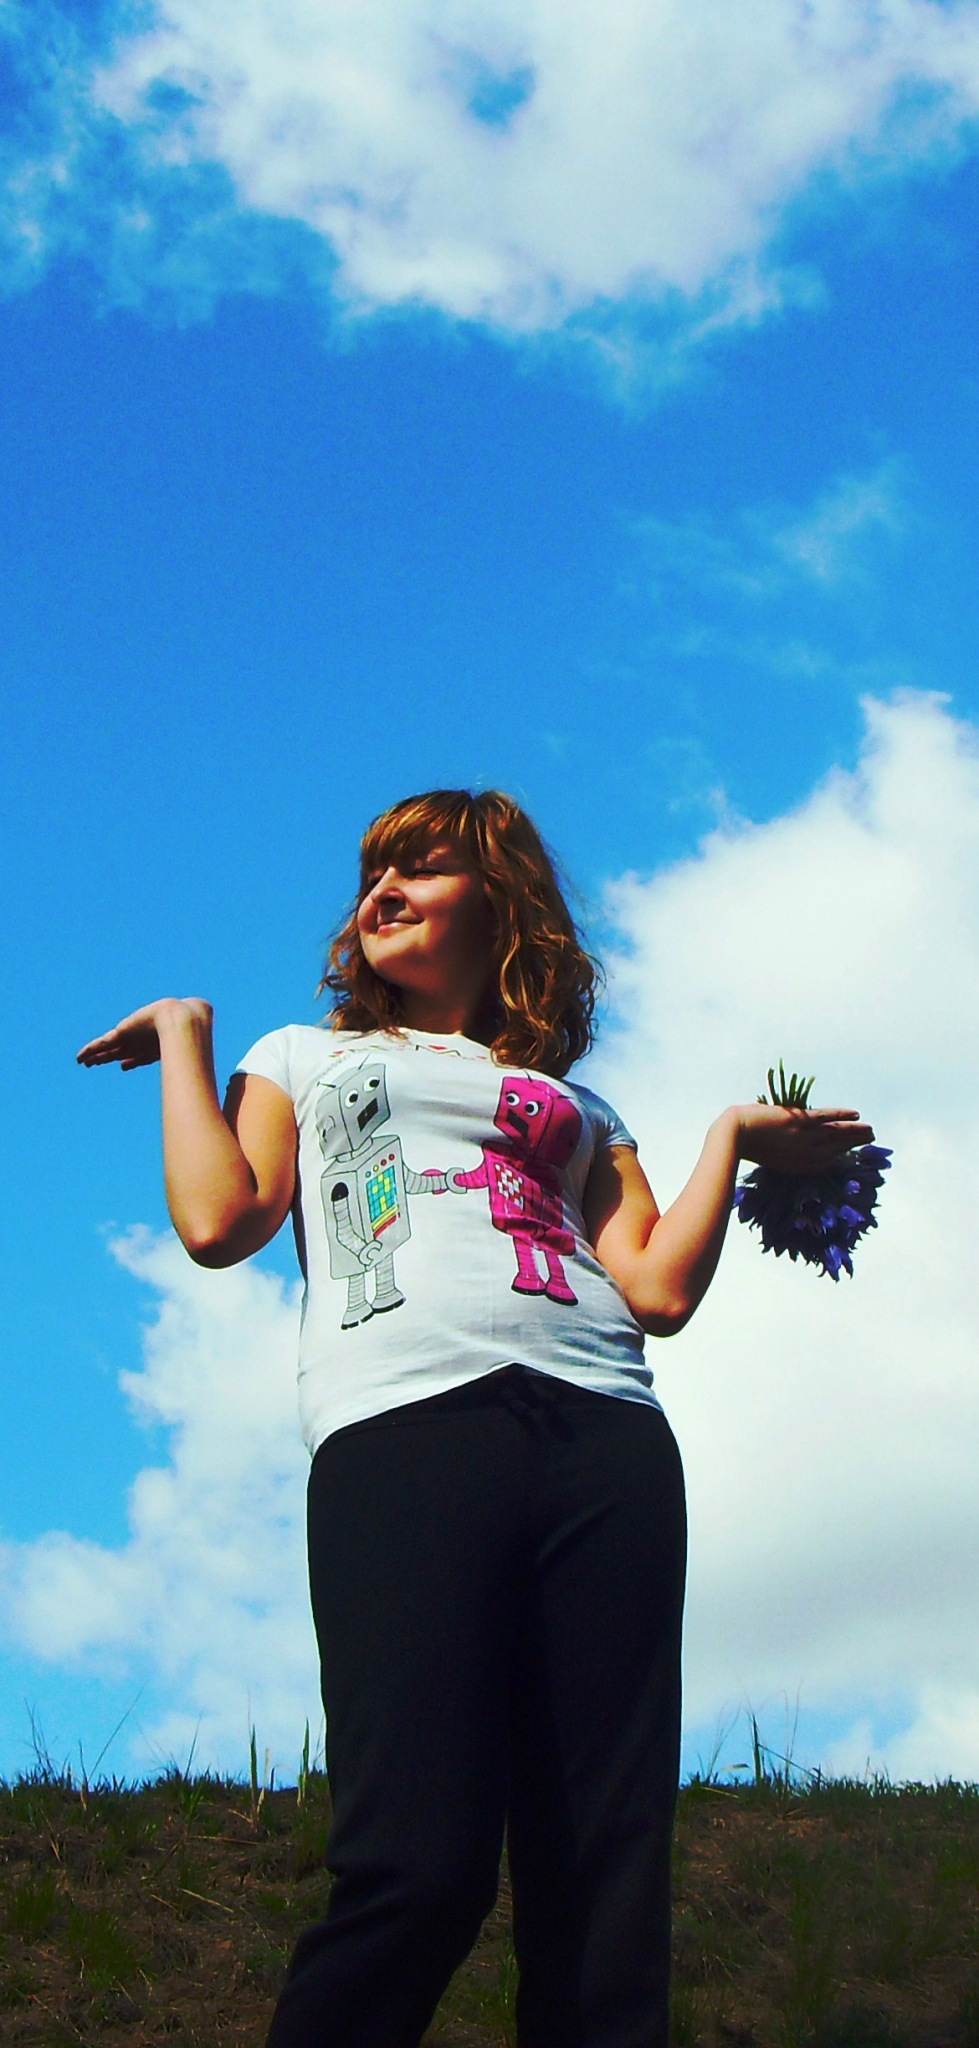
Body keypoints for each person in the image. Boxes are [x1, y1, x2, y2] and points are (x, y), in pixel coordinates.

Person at [77, 788, 872, 2048]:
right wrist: (186, 1036)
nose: (380, 892)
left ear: (498, 904)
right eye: (371, 874)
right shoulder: (299, 1055)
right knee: (416, 1864)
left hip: (605, 1440)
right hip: (403, 1432)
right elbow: (219, 1219)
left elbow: (656, 1289)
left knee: (602, 1876)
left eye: (421, 866)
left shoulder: (580, 1109)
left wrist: (729, 1136)